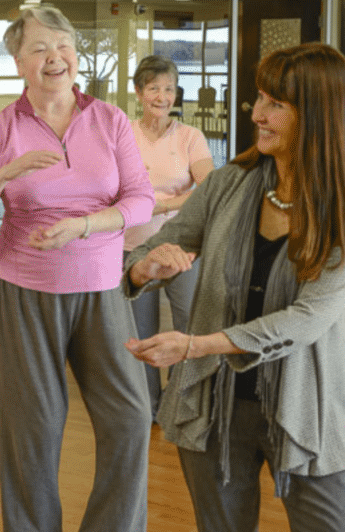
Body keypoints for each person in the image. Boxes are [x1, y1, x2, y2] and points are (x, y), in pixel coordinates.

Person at [124, 43, 345, 532]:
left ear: (319, 116)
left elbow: (309, 317)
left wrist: (196, 346)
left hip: (306, 407)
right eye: (260, 99)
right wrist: (145, 268)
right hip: (214, 405)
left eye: (276, 104)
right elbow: (146, 253)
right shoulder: (228, 183)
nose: (258, 114)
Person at [0, 5, 155, 532]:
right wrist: (4, 174)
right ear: (18, 62)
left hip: (101, 286)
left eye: (64, 45)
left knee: (131, 417)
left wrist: (85, 225)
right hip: (23, 290)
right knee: (32, 429)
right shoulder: (3, 127)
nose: (55, 57)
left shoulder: (109, 119)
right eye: (40, 48)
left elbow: (140, 201)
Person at [124, 55, 214, 418]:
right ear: (138, 92)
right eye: (153, 88)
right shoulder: (123, 133)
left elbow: (208, 187)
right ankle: (147, 406)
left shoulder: (190, 136)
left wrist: (161, 205)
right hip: (133, 246)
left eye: (169, 89)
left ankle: (181, 404)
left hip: (183, 247)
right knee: (141, 332)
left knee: (188, 325)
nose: (162, 97)